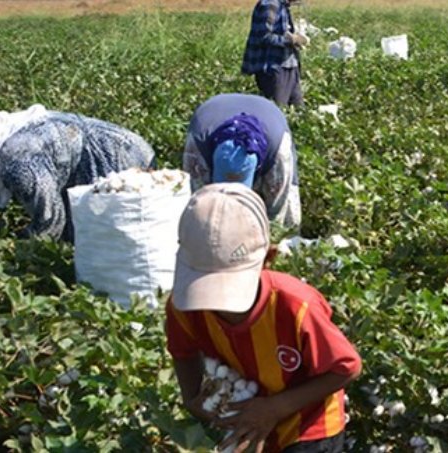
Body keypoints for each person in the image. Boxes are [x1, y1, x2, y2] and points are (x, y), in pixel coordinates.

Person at [165, 183, 362, 453]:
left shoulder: (295, 306)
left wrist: (275, 408)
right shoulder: (182, 307)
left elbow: (346, 368)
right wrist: (193, 400)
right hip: (244, 418)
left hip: (307, 428)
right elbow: (183, 352)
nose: (218, 306)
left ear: (268, 259)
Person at [0, 104, 154, 240]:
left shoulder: (19, 160)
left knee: (109, 239)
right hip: (100, 155)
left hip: (121, 158)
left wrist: (18, 252)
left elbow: (50, 221)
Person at [182, 93, 301, 230]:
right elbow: (196, 198)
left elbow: (278, 212)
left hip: (271, 123)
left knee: (287, 220)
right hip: (210, 117)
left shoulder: (279, 153)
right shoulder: (197, 146)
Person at [241, 0, 308, 107]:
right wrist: (291, 40)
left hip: (290, 65)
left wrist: (297, 40)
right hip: (273, 69)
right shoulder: (270, 5)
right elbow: (263, 37)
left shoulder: (283, 6)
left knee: (299, 111)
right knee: (278, 110)